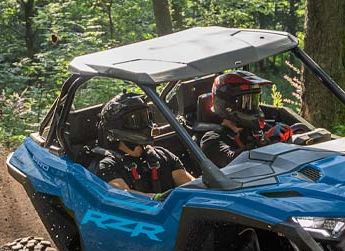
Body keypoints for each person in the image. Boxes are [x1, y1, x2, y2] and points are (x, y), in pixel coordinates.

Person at [197, 70, 329, 167]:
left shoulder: (257, 129)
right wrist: (264, 142)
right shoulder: (211, 139)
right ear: (228, 104)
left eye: (254, 100)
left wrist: (286, 138)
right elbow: (231, 161)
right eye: (247, 101)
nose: (253, 107)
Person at [93, 92, 197, 194]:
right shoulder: (108, 166)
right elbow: (125, 195)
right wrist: (160, 199)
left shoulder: (162, 155)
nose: (145, 124)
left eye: (146, 117)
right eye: (136, 120)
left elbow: (192, 187)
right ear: (117, 126)